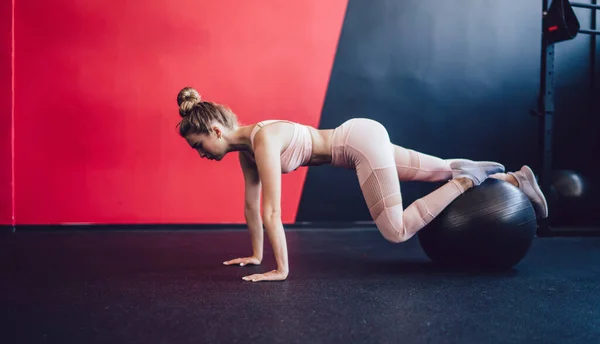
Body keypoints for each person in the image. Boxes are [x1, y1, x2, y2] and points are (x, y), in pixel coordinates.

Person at [176, 87, 549, 282]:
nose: (201, 154)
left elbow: (272, 210)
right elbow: (250, 208)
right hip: (359, 137)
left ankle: (469, 181)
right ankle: (515, 179)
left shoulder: (264, 140)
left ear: (215, 130)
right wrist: (257, 255)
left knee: (396, 229)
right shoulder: (247, 152)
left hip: (356, 146)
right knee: (440, 171)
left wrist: (281, 269)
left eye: (199, 146)